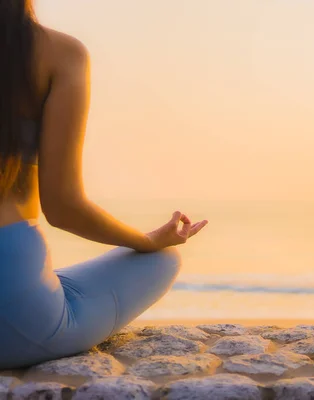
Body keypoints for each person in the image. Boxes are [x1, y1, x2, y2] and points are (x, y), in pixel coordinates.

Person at [0, 1, 208, 369]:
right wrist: (146, 241)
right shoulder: (57, 52)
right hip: (14, 320)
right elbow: (64, 208)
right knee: (161, 261)